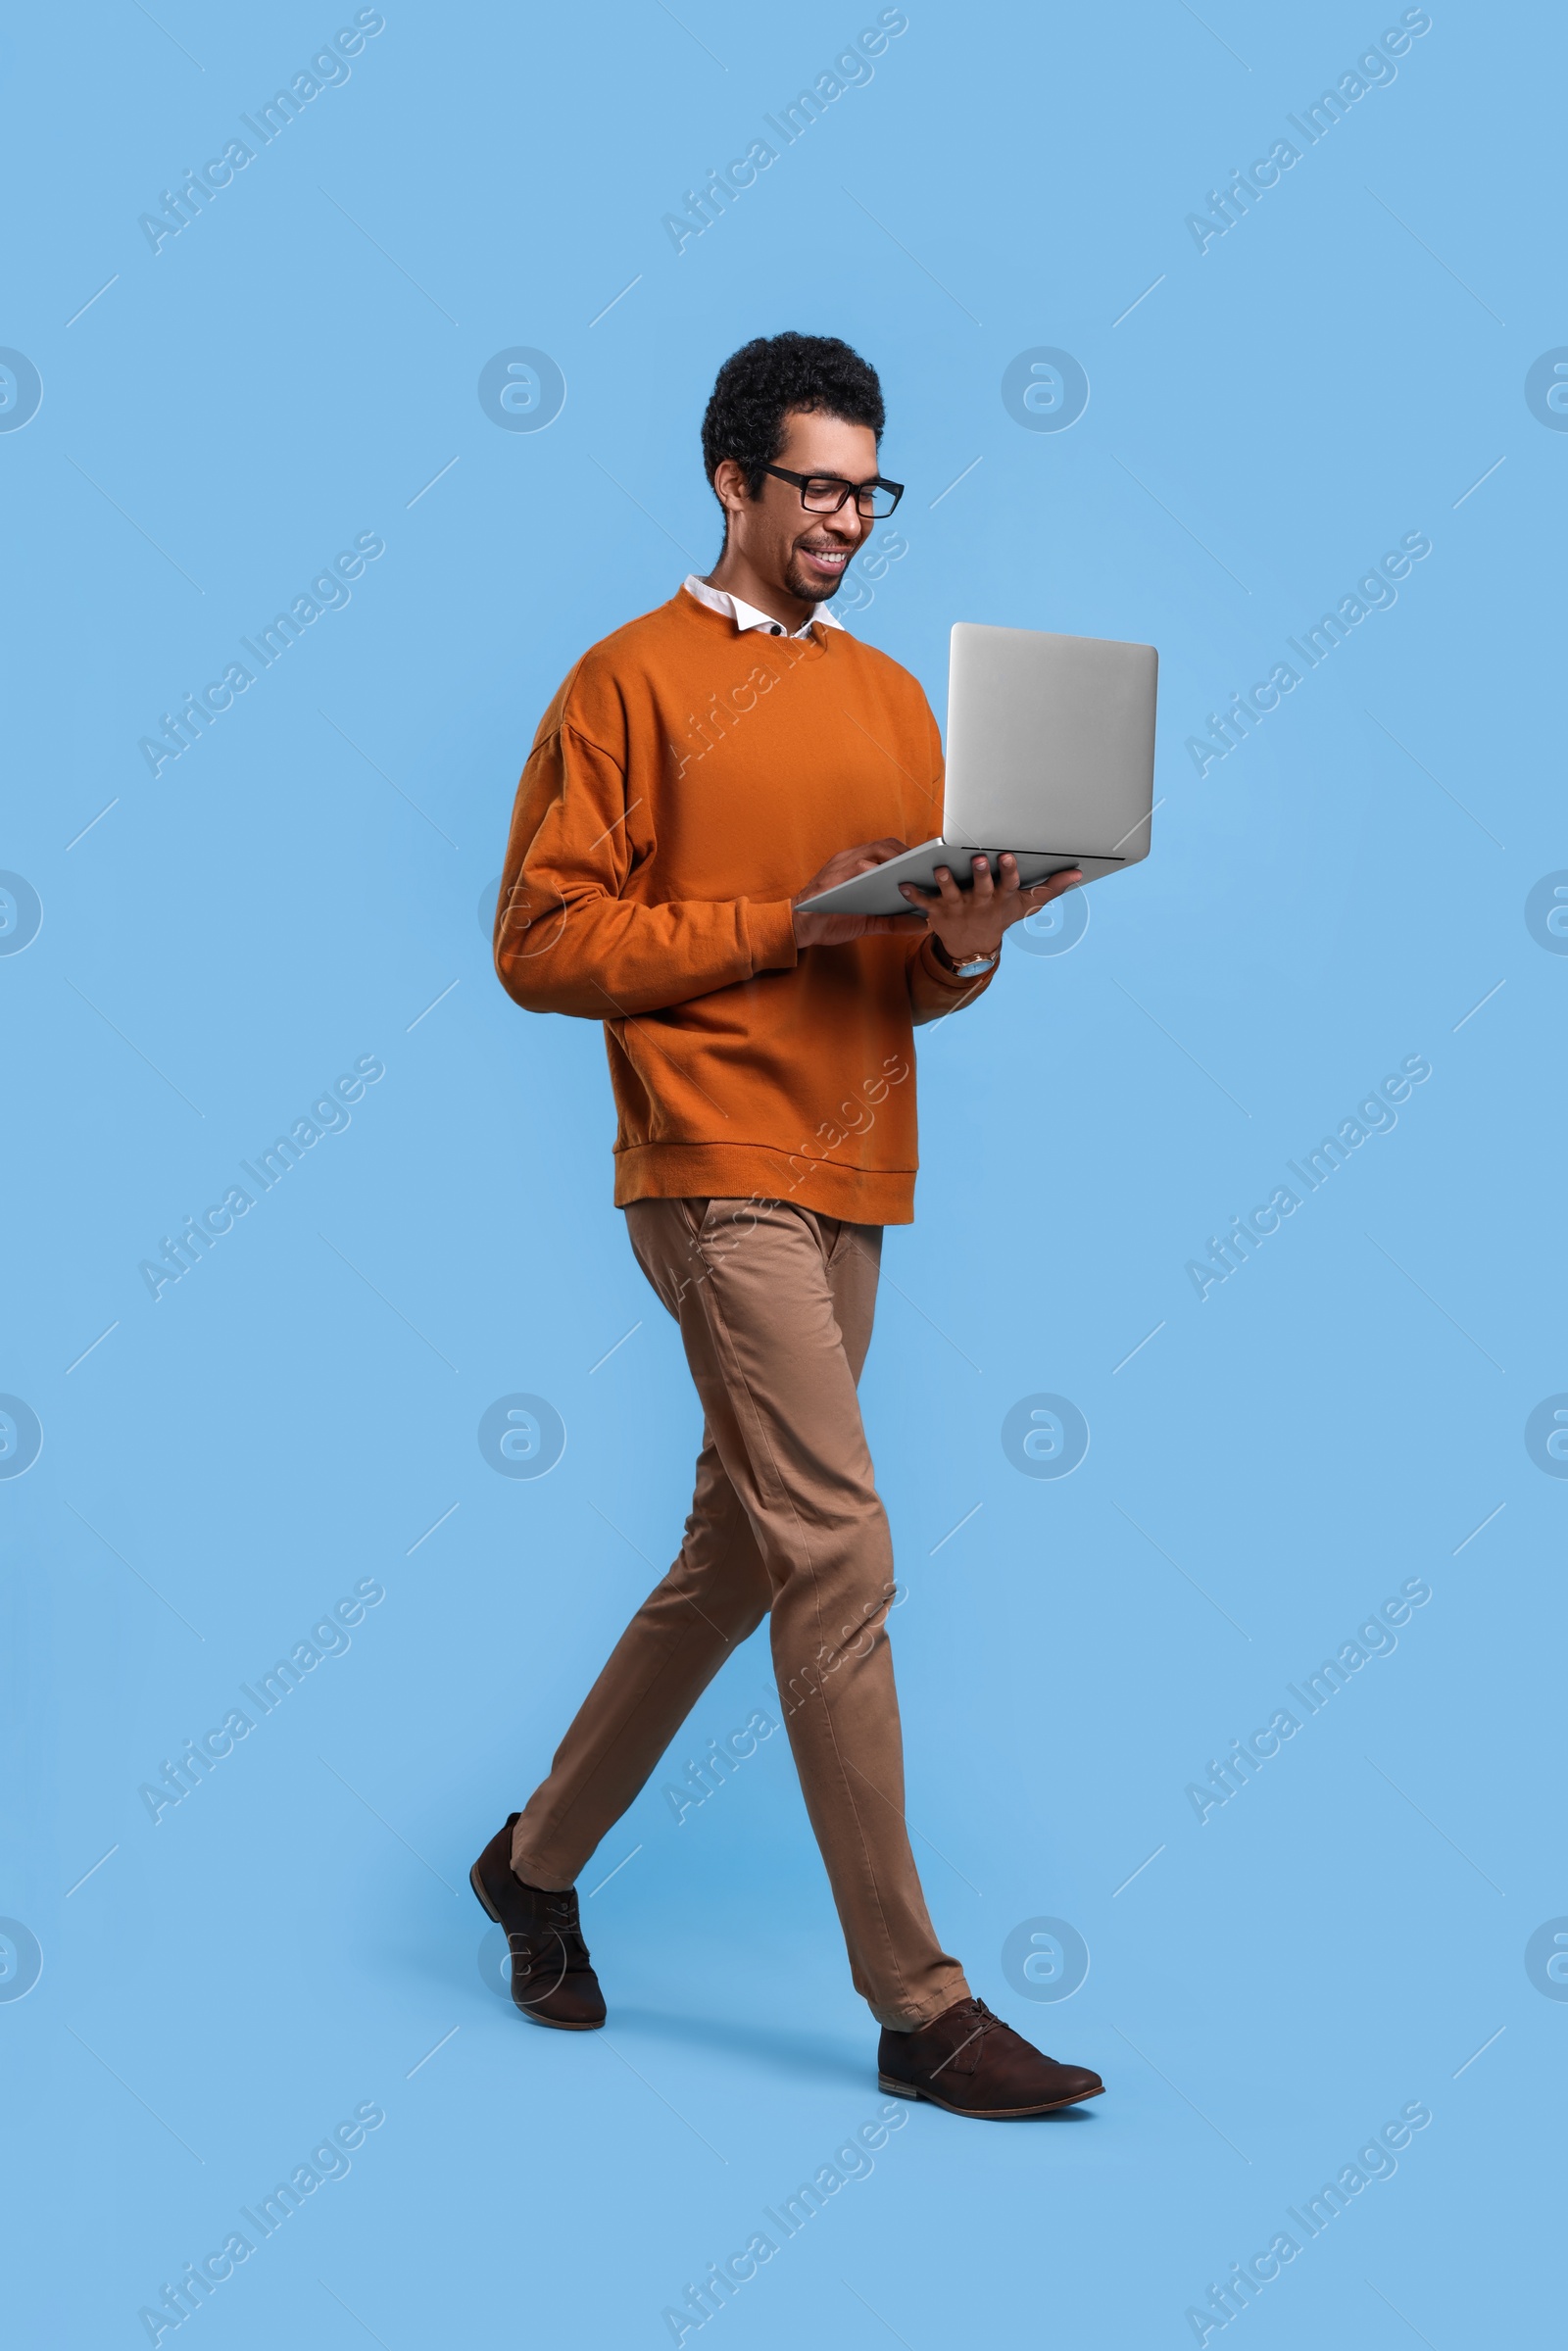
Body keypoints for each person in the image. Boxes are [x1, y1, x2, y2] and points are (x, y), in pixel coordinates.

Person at [470, 332, 1103, 2120]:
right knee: (838, 1545)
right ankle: (921, 2005)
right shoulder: (624, 683)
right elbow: (541, 944)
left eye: (868, 489)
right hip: (708, 1163)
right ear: (732, 482)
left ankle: (529, 1865)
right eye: (818, 485)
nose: (847, 518)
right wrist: (786, 922)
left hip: (854, 1165)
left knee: (742, 1554)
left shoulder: (899, 702)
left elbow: (914, 976)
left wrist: (970, 931)